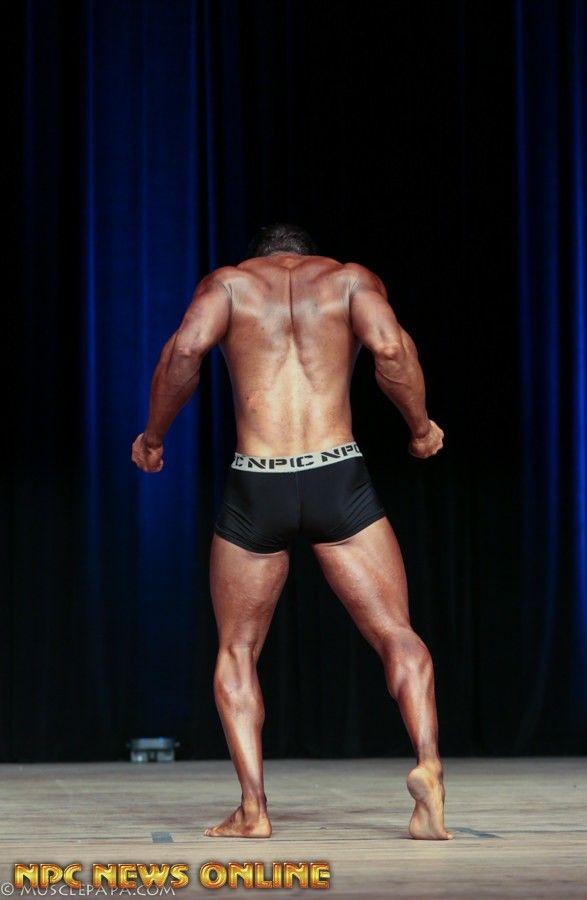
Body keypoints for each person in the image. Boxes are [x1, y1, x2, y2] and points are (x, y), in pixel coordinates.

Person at [131, 223, 451, 841]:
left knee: (237, 650)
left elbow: (184, 353)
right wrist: (419, 427)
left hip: (259, 482)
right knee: (397, 634)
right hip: (338, 475)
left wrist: (153, 436)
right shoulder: (350, 281)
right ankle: (429, 767)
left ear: (260, 256)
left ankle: (253, 809)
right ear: (308, 255)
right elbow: (391, 351)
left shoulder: (229, 285)